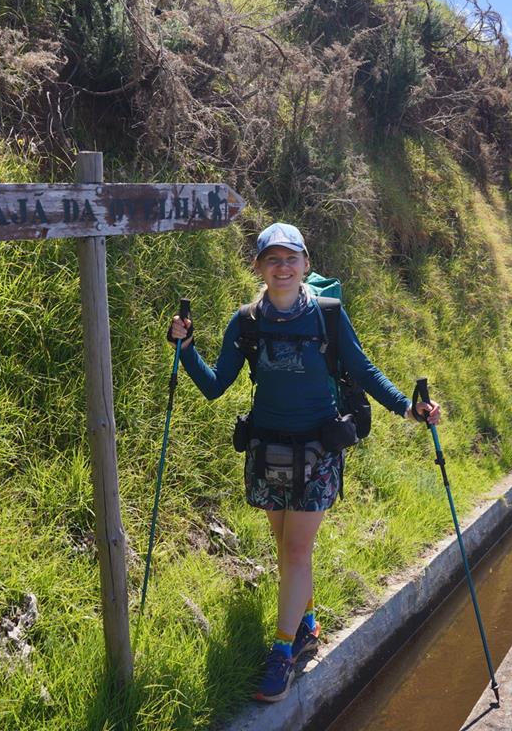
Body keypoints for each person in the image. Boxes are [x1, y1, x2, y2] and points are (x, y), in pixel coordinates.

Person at [168, 222, 441, 702]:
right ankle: (308, 623)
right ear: (258, 267)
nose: (282, 266)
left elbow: (363, 369)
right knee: (287, 549)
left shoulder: (329, 317)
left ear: (305, 264)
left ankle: (283, 653)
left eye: (291, 257)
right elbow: (215, 386)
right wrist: (186, 350)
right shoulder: (246, 322)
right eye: (272, 258)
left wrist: (407, 407)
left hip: (317, 450)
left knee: (294, 553)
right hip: (266, 448)